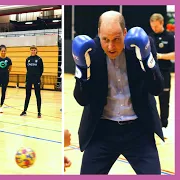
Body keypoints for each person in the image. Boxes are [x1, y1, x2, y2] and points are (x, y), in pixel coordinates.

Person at [72, 11, 164, 174]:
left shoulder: (141, 45)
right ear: (99, 33)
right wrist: (82, 72)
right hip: (102, 131)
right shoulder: (90, 51)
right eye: (105, 39)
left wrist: (146, 60)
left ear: (125, 33)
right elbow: (82, 99)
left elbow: (156, 88)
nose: (110, 46)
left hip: (139, 131)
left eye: (116, 39)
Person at [149, 13, 175, 130]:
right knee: (149, 99)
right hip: (151, 72)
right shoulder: (149, 37)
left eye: (156, 26)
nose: (154, 29)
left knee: (164, 99)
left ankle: (164, 125)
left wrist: (160, 56)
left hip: (164, 71)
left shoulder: (169, 37)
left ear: (161, 23)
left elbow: (175, 54)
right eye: (152, 26)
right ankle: (152, 125)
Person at [20, 45, 44, 118]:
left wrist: (37, 77)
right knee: (27, 95)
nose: (33, 51)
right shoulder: (28, 59)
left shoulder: (39, 59)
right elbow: (27, 68)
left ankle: (39, 112)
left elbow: (41, 70)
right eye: (32, 50)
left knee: (38, 95)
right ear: (30, 51)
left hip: (36, 79)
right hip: (29, 79)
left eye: (34, 50)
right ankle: (24, 111)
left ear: (36, 51)